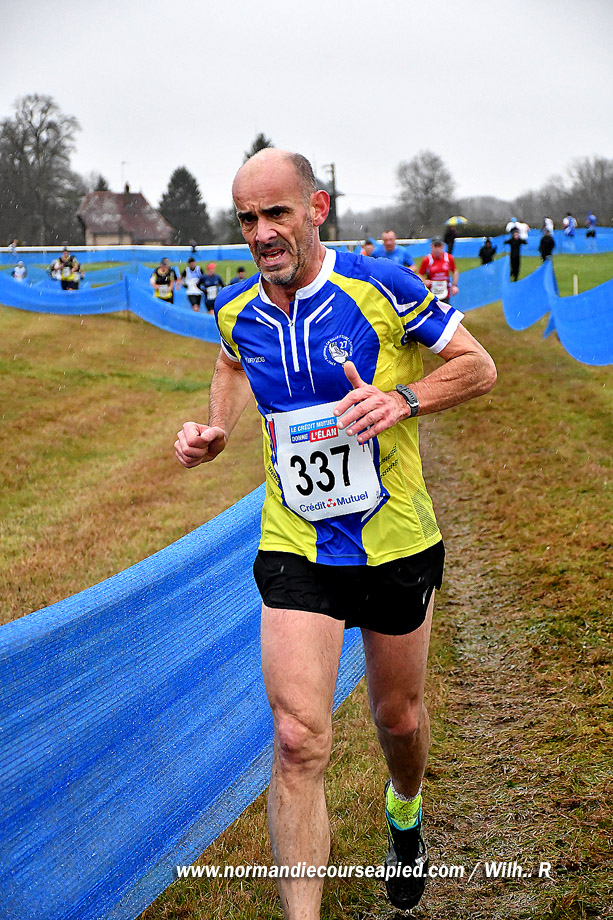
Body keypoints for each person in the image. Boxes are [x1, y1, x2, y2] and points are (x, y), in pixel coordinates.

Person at [174, 148, 497, 919]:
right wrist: (217, 430)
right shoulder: (235, 307)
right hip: (296, 546)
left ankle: (404, 810)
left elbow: (477, 366)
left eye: (276, 213)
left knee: (398, 719)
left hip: (393, 542)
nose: (261, 233)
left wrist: (402, 400)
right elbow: (231, 362)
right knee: (296, 739)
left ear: (315, 210)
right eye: (247, 219)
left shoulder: (381, 286)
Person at [418, 237, 459, 303]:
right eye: (435, 246)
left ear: (443, 246)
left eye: (439, 246)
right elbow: (420, 274)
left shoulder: (448, 258)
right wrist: (424, 281)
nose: (437, 249)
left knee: (445, 307)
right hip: (431, 291)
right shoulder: (427, 259)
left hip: (445, 290)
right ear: (431, 246)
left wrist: (454, 285)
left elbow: (455, 271)